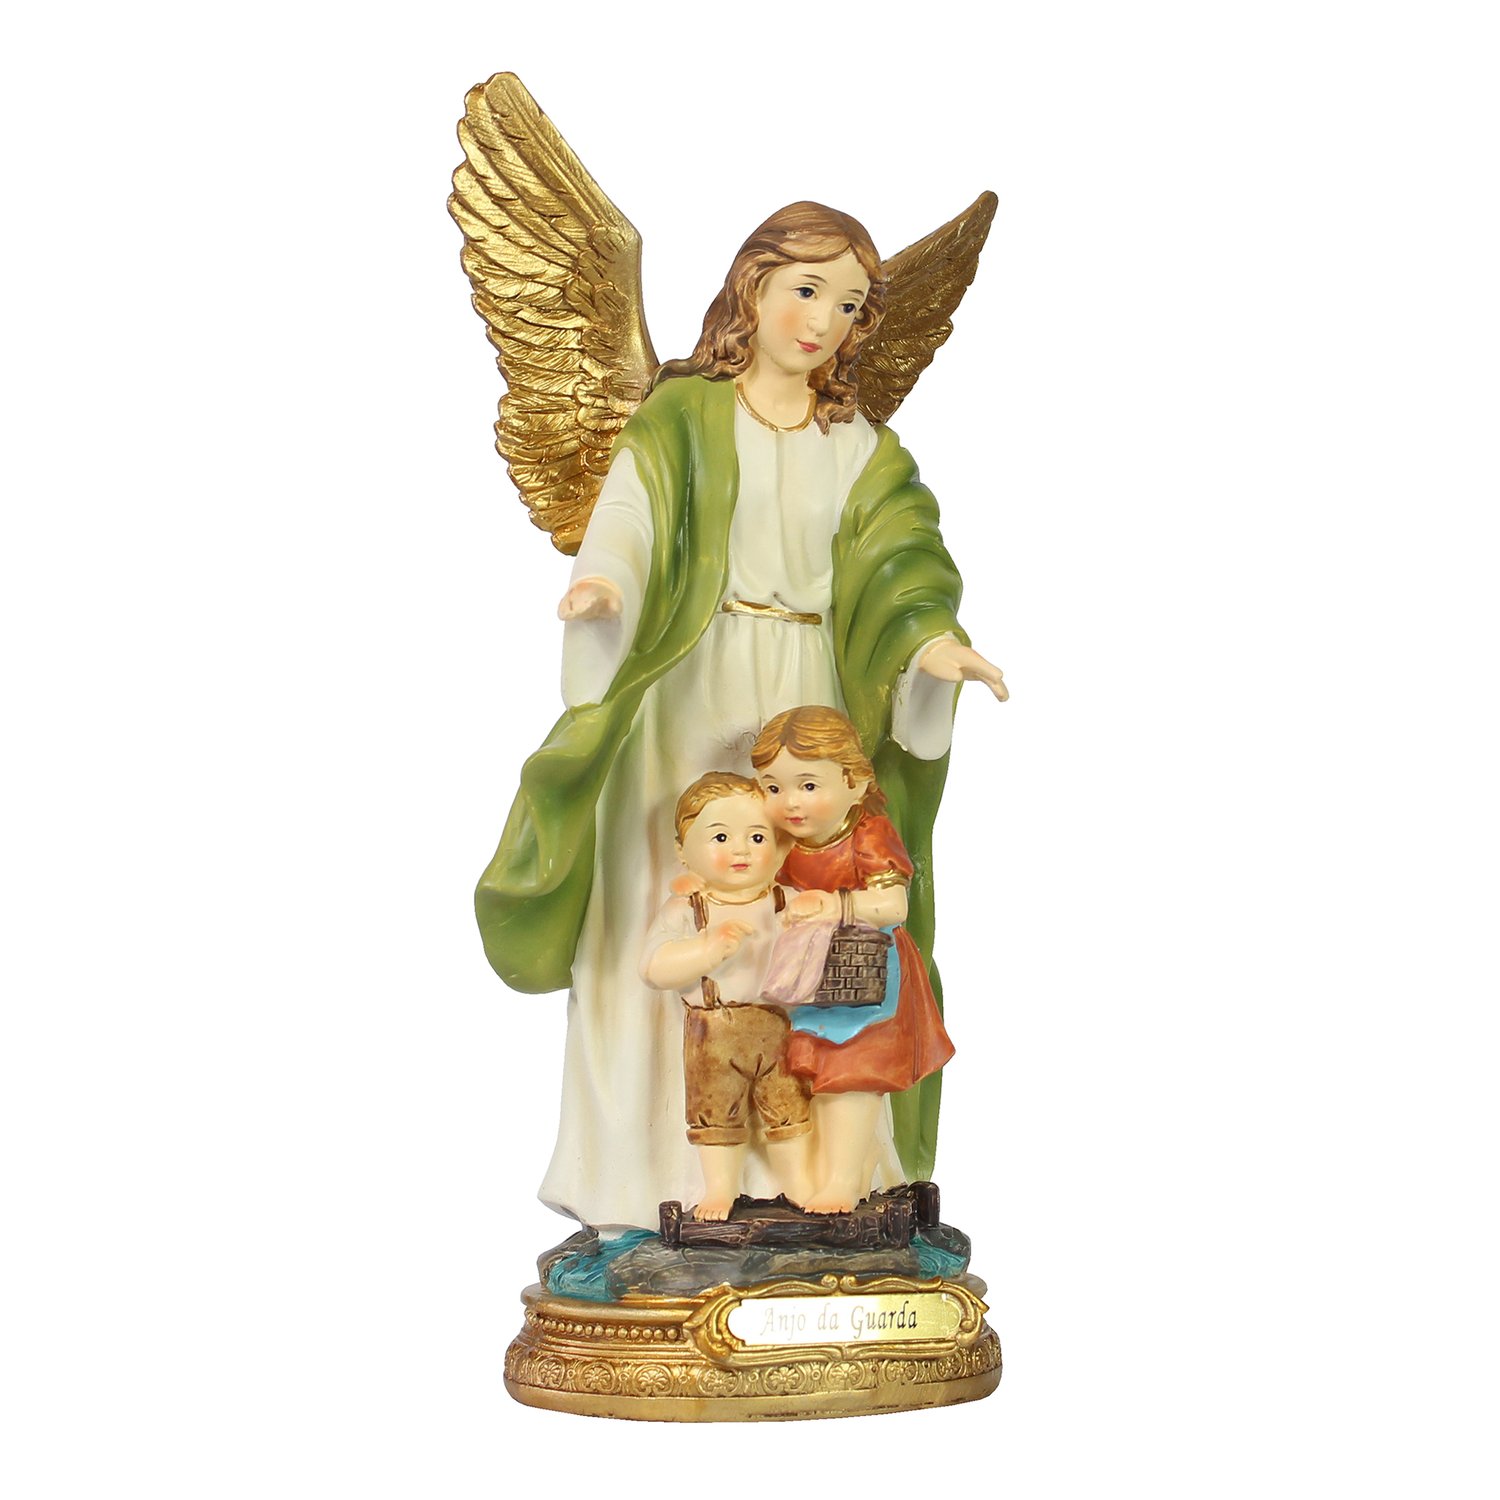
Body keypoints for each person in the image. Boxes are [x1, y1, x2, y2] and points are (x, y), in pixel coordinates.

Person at [476, 202, 1006, 1230]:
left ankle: (814, 1171)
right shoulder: (682, 416)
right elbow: (628, 513)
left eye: (849, 305)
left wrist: (931, 645)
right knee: (674, 890)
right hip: (690, 675)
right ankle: (655, 1171)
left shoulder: (859, 446)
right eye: (806, 290)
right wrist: (607, 583)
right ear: (752, 286)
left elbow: (907, 563)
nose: (823, 322)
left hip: (807, 687)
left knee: (812, 894)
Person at [752, 706, 954, 1212]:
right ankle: (852, 1174)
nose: (790, 802)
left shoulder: (867, 834)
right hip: (814, 979)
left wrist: (836, 905)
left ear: (855, 782)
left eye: (807, 785)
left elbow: (894, 906)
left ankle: (843, 1181)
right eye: (773, 788)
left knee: (853, 1076)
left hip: (869, 978)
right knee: (820, 1078)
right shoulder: (785, 843)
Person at [640, 773, 813, 1220]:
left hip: (780, 1024)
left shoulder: (787, 901)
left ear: (781, 846)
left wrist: (809, 927)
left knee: (790, 1106)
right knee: (715, 1114)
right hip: (713, 1031)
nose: (741, 850)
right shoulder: (687, 909)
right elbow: (653, 967)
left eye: (757, 837)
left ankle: (798, 1183)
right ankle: (720, 1189)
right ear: (683, 851)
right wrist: (706, 950)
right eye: (721, 837)